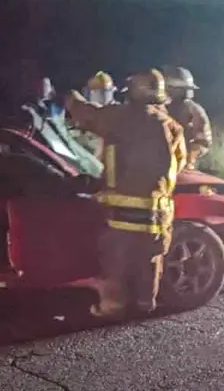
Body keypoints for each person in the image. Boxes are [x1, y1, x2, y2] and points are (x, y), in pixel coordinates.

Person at [65, 69, 187, 318]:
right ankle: (145, 303)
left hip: (122, 213)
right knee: (150, 258)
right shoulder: (173, 126)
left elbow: (87, 115)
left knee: (116, 260)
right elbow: (180, 163)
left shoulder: (121, 117)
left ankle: (112, 307)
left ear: (132, 92)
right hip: (157, 214)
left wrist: (71, 98)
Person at [162, 66, 212, 170]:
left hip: (184, 167)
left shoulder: (195, 111)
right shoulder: (160, 109)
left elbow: (203, 142)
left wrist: (188, 159)